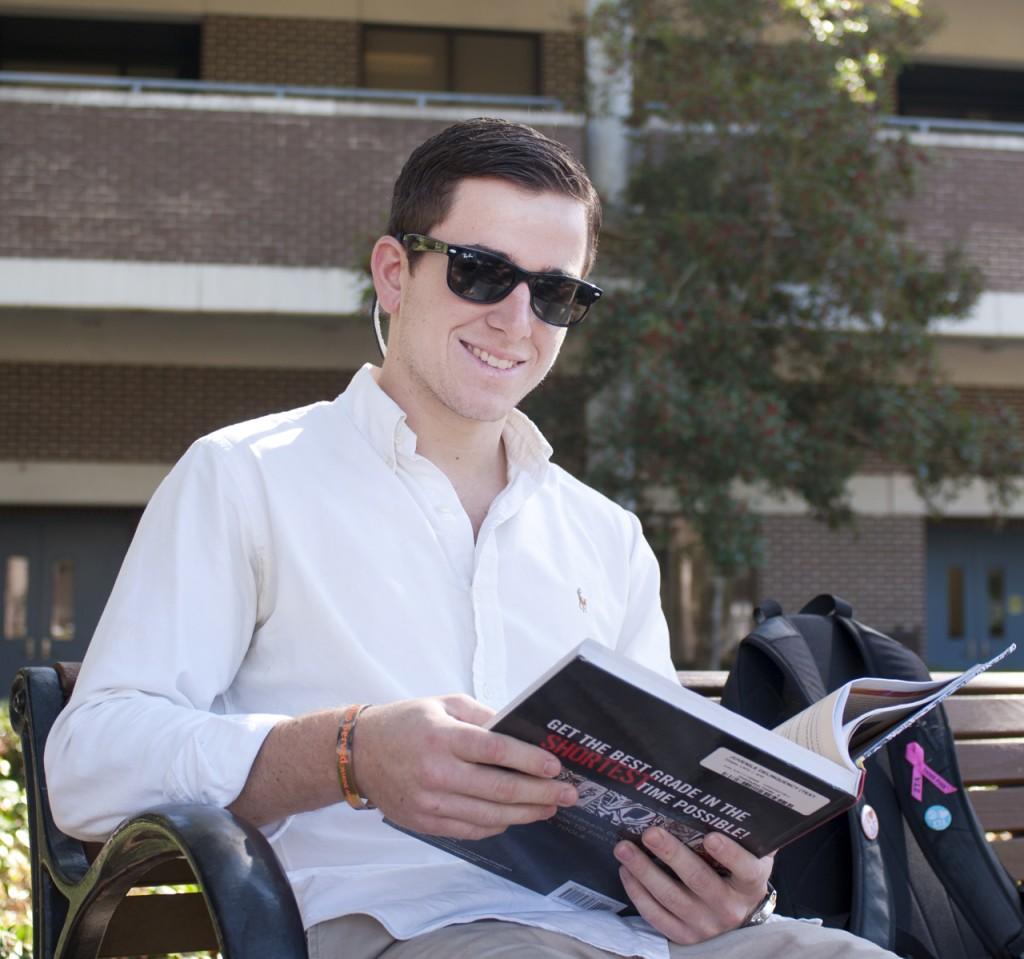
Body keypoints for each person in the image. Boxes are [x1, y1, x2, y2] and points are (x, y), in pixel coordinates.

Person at [45, 118, 897, 959]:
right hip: (395, 928)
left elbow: (654, 797)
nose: (516, 320)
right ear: (393, 272)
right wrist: (349, 752)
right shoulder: (245, 476)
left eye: (557, 293)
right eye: (481, 271)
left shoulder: (607, 534)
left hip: (626, 941)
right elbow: (89, 764)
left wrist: (719, 887)